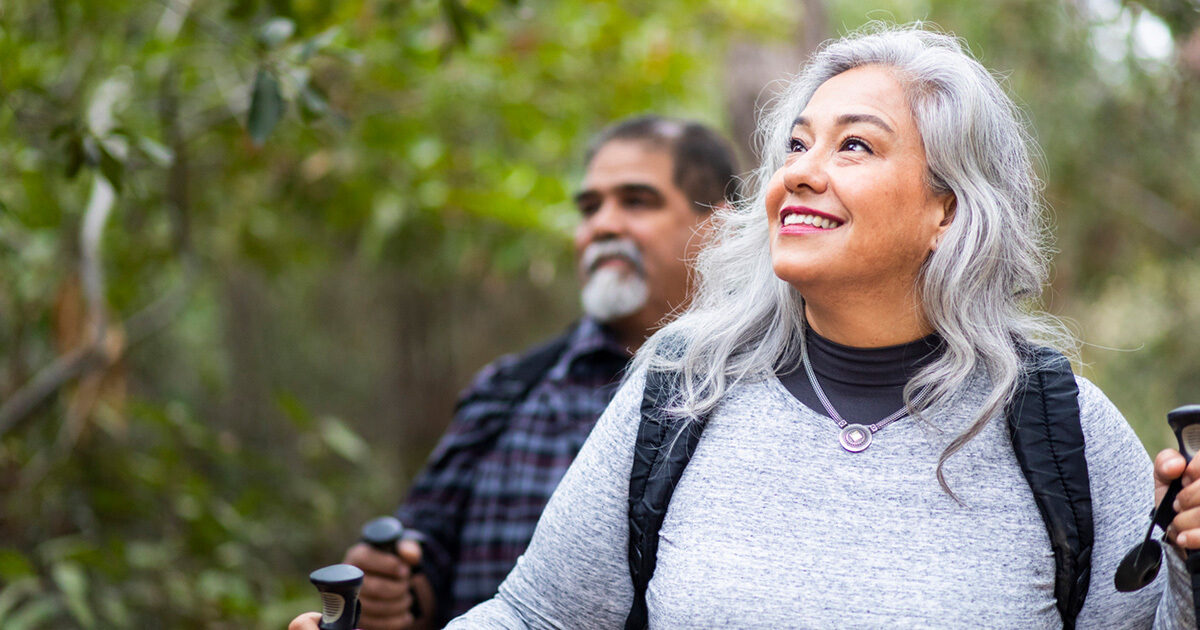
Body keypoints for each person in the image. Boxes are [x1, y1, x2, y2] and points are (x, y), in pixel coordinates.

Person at [293, 25, 1197, 630]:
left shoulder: (1060, 425)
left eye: (855, 146)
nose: (801, 171)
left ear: (949, 213)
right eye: (796, 144)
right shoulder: (682, 388)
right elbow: (540, 618)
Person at [295, 115, 739, 630]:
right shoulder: (508, 390)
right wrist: (392, 592)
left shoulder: (771, 394)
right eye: (590, 208)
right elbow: (424, 557)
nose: (603, 225)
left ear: (721, 228)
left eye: (636, 201)